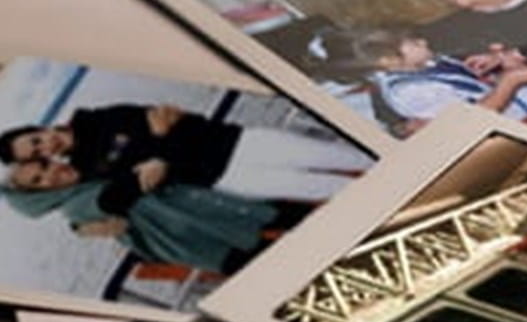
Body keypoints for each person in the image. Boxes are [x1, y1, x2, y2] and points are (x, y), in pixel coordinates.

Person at [0, 102, 373, 205]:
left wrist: (159, 157)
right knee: (333, 191)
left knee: (351, 158)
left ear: (41, 128)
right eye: (35, 155)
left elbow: (181, 121)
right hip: (229, 178)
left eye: (36, 139)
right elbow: (114, 201)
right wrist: (154, 158)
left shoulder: (102, 118)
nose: (43, 148)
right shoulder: (86, 168)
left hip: (240, 142)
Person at [2, 168, 298, 275]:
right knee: (278, 264)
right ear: (37, 198)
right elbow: (116, 196)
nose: (50, 174)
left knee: (286, 227)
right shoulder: (76, 206)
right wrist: (149, 165)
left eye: (43, 166)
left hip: (208, 217)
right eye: (39, 181)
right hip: (201, 237)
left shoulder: (85, 178)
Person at [336, 29, 527, 136]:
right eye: (413, 43)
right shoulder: (409, 92)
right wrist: (510, 82)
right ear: (388, 60)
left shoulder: (423, 64)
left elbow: (472, 88)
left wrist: (499, 67)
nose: (422, 40)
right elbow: (476, 118)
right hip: (523, 120)